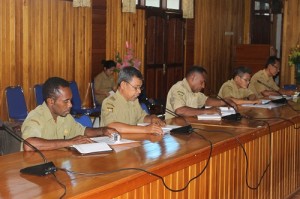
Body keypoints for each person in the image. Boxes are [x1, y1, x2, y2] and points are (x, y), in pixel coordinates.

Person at [21, 77, 117, 151]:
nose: (70, 105)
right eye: (66, 101)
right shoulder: (36, 117)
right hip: (35, 168)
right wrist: (69, 142)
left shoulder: (65, 115)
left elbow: (82, 131)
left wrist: (103, 130)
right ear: (51, 101)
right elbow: (29, 145)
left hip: (55, 163)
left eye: (70, 100)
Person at [100, 66, 165, 134]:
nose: (139, 91)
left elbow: (141, 117)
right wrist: (145, 129)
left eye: (140, 87)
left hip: (131, 140)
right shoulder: (109, 103)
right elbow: (111, 126)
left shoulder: (134, 100)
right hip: (113, 142)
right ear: (123, 85)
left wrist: (152, 118)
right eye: (136, 87)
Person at [165, 66, 237, 119]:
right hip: (174, 129)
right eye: (202, 82)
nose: (203, 86)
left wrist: (224, 102)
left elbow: (206, 101)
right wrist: (206, 111)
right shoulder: (179, 88)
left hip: (189, 126)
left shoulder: (194, 91)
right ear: (193, 77)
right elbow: (180, 110)